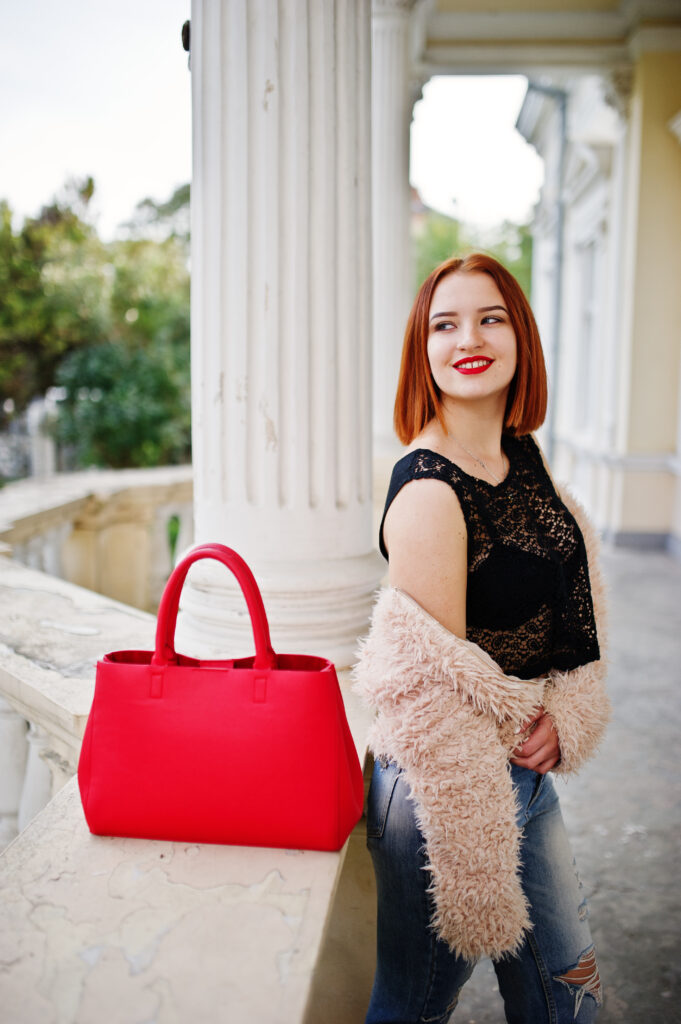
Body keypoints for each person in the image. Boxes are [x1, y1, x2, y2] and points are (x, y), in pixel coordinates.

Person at [353, 253, 610, 1024]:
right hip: (443, 789)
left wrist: (566, 710)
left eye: (490, 317)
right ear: (421, 351)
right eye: (444, 323)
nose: (469, 337)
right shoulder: (431, 490)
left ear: (518, 337)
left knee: (565, 987)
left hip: (522, 774)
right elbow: (437, 688)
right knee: (415, 1004)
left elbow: (574, 600)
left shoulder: (519, 456)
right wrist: (523, 736)